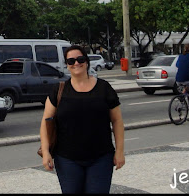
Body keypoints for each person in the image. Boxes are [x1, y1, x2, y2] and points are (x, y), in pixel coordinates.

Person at [40, 45, 125, 193]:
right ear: (67, 65)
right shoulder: (59, 90)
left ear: (86, 61)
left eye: (80, 59)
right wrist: (46, 152)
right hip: (67, 159)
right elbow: (46, 121)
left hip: (101, 158)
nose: (76, 63)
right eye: (71, 61)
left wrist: (120, 151)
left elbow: (117, 121)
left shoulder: (104, 88)